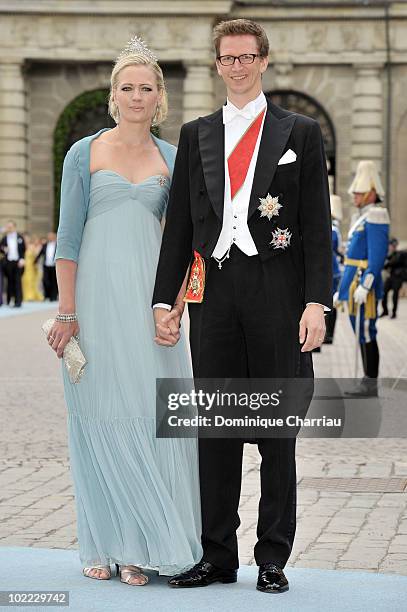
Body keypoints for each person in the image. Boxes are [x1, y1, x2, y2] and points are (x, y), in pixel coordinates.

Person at [153, 19, 332, 593]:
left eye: (246, 56)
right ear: (217, 64)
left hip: (277, 294)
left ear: (263, 61)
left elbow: (314, 225)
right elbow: (179, 225)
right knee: (216, 431)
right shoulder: (196, 133)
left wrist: (316, 303)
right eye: (227, 58)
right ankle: (217, 556)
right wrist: (166, 299)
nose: (237, 66)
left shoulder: (299, 132)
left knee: (277, 430)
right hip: (215, 297)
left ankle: (273, 557)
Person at [48, 37, 202, 586]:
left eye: (146, 87)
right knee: (98, 413)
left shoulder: (174, 158)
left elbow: (184, 241)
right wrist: (67, 312)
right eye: (127, 87)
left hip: (150, 300)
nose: (137, 96)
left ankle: (138, 544)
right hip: (93, 297)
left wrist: (177, 305)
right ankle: (103, 540)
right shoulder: (83, 153)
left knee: (150, 414)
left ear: (159, 96)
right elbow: (68, 237)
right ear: (114, 95)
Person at [336, 160, 390, 397]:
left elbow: (377, 257)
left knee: (367, 331)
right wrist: (342, 288)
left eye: (359, 192)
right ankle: (366, 380)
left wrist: (366, 285)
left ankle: (370, 383)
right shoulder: (361, 218)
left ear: (371, 193)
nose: (354, 196)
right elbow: (350, 259)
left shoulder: (377, 215)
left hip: (364, 285)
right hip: (354, 284)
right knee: (359, 332)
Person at [324, 195, 343, 344]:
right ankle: (329, 334)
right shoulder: (335, 230)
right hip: (333, 269)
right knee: (329, 303)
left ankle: (326, 335)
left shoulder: (333, 229)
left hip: (330, 270)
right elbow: (338, 249)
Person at [0, 220, 26, 308]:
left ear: (14, 227)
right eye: (8, 227)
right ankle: (9, 300)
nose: (9, 229)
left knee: (17, 282)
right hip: (8, 262)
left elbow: (23, 249)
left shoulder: (20, 237)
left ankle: (18, 301)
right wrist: (3, 249)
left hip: (18, 262)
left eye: (10, 227)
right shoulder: (4, 238)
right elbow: (1, 248)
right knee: (10, 282)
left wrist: (22, 259)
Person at [380, 238, 407, 319]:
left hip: (398, 277)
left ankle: (394, 313)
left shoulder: (401, 254)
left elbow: (394, 262)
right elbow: (385, 266)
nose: (390, 247)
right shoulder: (390, 255)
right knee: (384, 292)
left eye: (392, 245)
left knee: (395, 295)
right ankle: (385, 311)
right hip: (391, 277)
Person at [35, 232, 58, 301]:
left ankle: (53, 296)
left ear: (54, 237)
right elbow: (40, 253)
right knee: (45, 281)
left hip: (54, 266)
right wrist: (35, 261)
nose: (49, 237)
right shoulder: (45, 245)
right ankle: (46, 295)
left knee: (54, 281)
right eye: (49, 236)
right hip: (46, 265)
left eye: (51, 236)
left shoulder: (57, 245)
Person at [22, 234, 44, 302]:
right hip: (25, 267)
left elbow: (36, 256)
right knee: (25, 281)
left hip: (31, 267)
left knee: (31, 281)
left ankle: (31, 296)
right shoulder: (23, 247)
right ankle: (25, 295)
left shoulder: (32, 247)